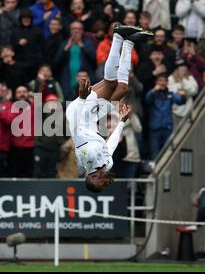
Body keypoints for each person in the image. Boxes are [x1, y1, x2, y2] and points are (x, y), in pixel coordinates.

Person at [65, 23, 152, 193]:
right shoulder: (106, 164)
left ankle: (118, 36)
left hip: (80, 113)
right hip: (93, 117)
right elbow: (110, 145)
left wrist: (82, 99)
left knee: (110, 83)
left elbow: (75, 130)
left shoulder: (87, 159)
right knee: (122, 89)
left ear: (93, 177)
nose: (106, 182)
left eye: (102, 184)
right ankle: (129, 43)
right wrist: (121, 122)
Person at [145, 73, 186, 159]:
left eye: (165, 81)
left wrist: (182, 95)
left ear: (167, 82)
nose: (162, 83)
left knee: (168, 154)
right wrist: (153, 90)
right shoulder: (153, 93)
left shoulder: (170, 94)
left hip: (167, 128)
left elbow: (180, 102)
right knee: (154, 155)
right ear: (156, 82)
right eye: (160, 80)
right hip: (154, 129)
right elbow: (147, 99)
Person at [54, 21, 96, 100]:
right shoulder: (65, 43)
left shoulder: (88, 42)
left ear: (82, 30)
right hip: (68, 78)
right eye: (74, 29)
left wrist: (82, 46)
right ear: (70, 30)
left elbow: (93, 58)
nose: (76, 31)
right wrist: (66, 48)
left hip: (84, 78)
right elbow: (57, 61)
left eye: (79, 29)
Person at [9, 86, 34, 177]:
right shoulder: (10, 107)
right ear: (15, 95)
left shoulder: (33, 107)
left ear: (28, 94)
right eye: (19, 92)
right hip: (14, 148)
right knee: (14, 175)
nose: (22, 94)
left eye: (24, 92)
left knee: (29, 175)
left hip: (29, 148)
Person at [168, 59, 198, 127]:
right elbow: (170, 92)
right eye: (181, 66)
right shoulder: (170, 78)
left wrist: (183, 81)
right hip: (175, 112)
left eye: (185, 66)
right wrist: (182, 90)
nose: (183, 68)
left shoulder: (190, 78)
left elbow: (194, 91)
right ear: (177, 68)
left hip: (188, 111)